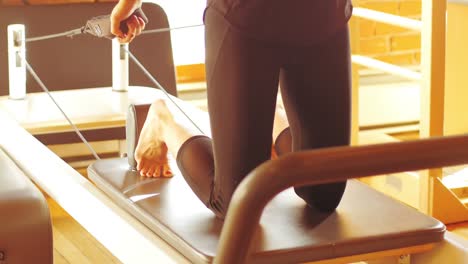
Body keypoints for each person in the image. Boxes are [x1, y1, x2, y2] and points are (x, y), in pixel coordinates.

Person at [111, 0, 353, 219]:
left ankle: (273, 119)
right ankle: (164, 121)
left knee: (324, 194)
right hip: (243, 17)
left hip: (324, 16)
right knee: (237, 202)